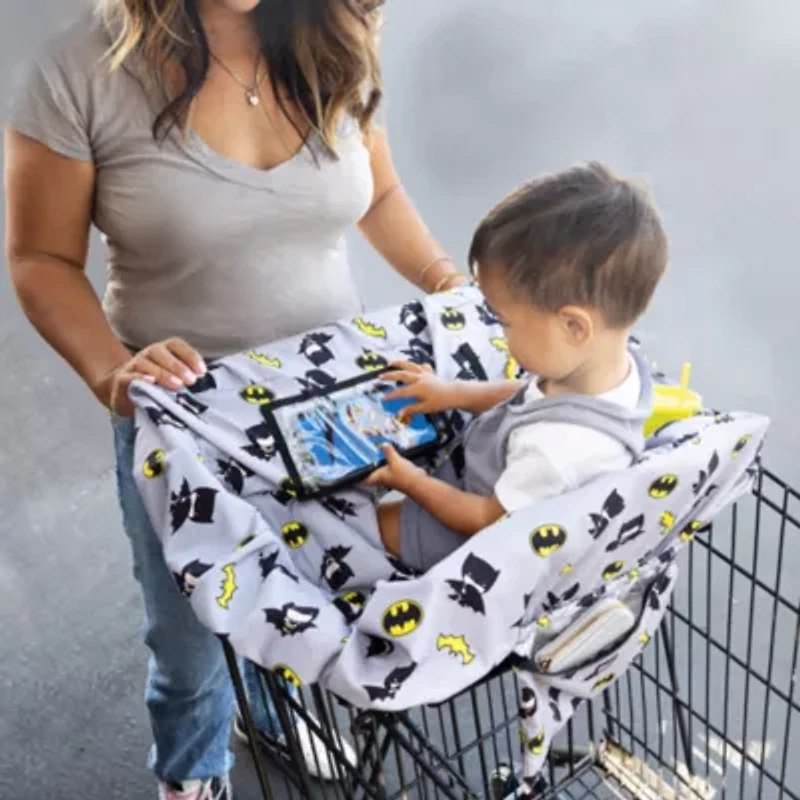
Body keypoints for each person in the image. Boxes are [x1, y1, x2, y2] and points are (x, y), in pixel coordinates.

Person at [4, 0, 464, 797]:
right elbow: (41, 257)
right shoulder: (80, 67)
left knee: (306, 591)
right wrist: (110, 370)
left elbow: (378, 196)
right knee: (188, 646)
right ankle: (191, 775)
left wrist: (449, 284)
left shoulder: (334, 32)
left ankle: (273, 715)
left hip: (328, 405)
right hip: (185, 422)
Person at [368, 162, 668, 571]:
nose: (500, 335)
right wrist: (450, 393)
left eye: (504, 322)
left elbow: (483, 519)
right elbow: (532, 396)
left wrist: (411, 483)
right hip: (485, 471)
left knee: (363, 529)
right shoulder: (605, 366)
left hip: (462, 538)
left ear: (574, 326)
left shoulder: (558, 450)